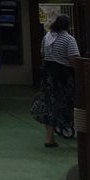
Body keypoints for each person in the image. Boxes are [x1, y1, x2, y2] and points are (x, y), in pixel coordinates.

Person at [32, 14, 81, 147]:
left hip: (49, 75)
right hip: (63, 75)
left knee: (50, 103)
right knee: (66, 101)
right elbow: (73, 59)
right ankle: (66, 124)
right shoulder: (68, 39)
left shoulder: (47, 38)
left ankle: (50, 136)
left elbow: (42, 55)